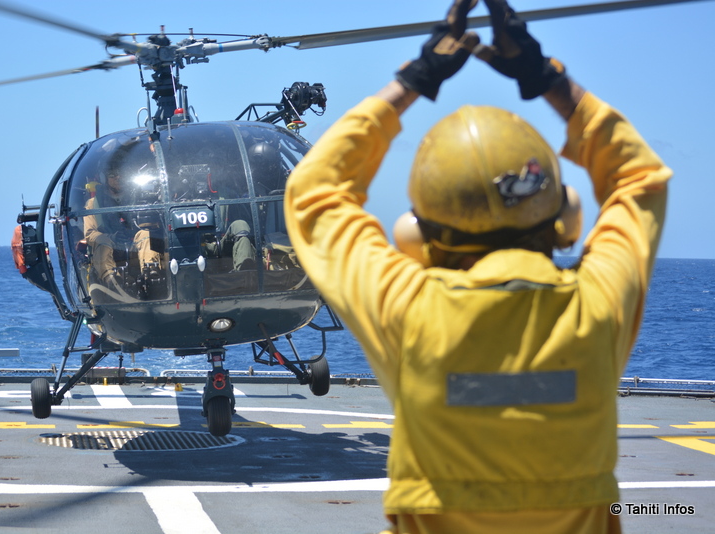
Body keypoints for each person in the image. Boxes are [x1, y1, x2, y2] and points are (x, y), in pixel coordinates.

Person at [283, 0, 670, 532]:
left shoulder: (409, 309)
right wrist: (546, 78)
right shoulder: (598, 305)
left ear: (417, 233)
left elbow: (312, 191)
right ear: (566, 214)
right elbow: (642, 179)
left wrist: (415, 79)